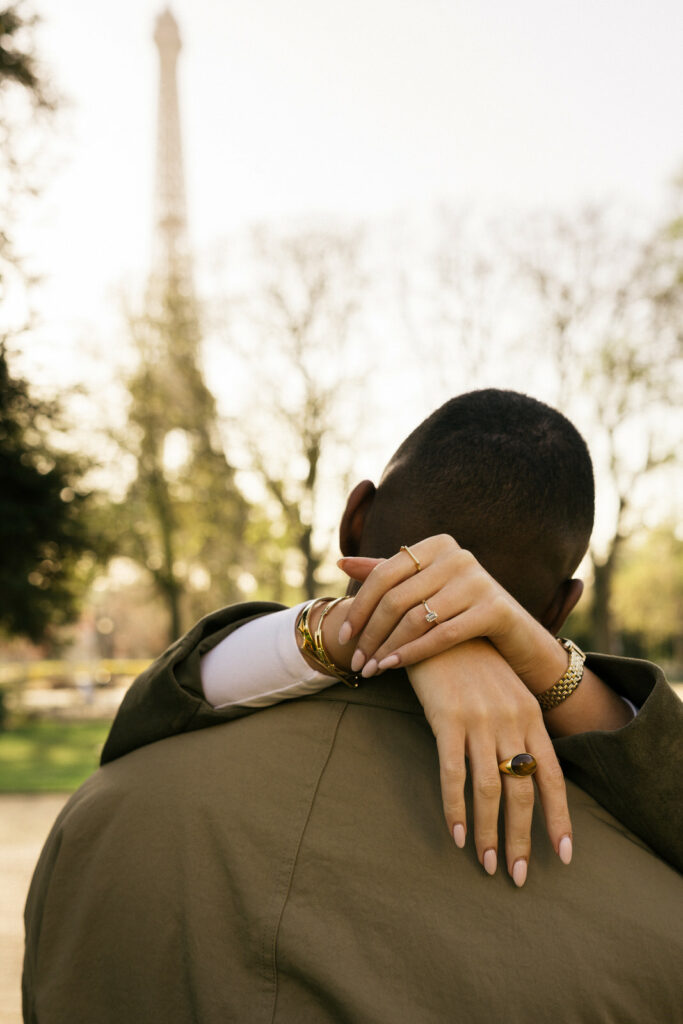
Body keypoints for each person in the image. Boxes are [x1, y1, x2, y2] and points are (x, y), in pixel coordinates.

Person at [23, 390, 683, 1023]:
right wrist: (525, 657)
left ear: (353, 519)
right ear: (559, 607)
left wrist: (358, 628)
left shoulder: (100, 818)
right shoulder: (656, 930)